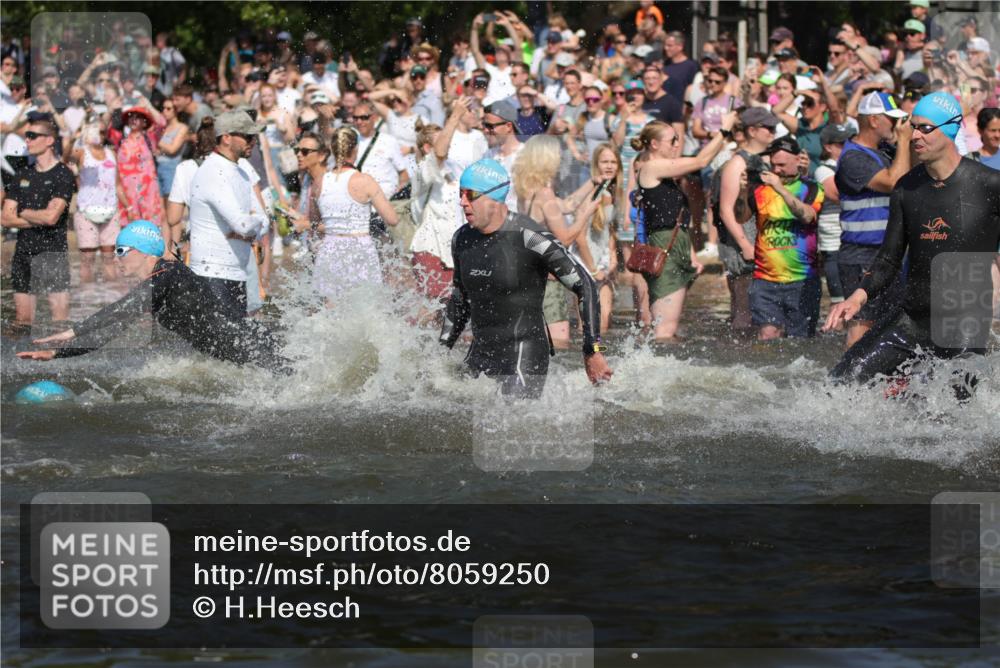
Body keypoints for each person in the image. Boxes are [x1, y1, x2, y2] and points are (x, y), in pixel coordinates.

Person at [825, 92, 1000, 394]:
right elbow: (889, 258)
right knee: (838, 387)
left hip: (964, 328)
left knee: (954, 414)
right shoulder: (907, 188)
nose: (915, 135)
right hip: (911, 320)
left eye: (925, 128)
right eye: (913, 127)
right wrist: (858, 296)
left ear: (951, 128)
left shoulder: (990, 184)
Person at [17, 220, 289, 373]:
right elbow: (108, 334)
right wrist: (56, 353)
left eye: (121, 251)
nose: (116, 259)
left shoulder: (169, 274)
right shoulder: (157, 286)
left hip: (253, 347)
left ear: (144, 250)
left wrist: (72, 331)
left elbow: (121, 308)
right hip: (241, 357)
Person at [440, 158, 612, 399]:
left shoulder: (530, 236)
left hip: (523, 354)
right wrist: (439, 352)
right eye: (461, 193)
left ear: (495, 197)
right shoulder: (462, 239)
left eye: (471, 194)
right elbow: (460, 300)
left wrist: (592, 350)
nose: (462, 202)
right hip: (480, 352)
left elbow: (585, 285)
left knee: (512, 417)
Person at [633, 116, 734, 340]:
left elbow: (676, 221)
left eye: (677, 139)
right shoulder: (651, 167)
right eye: (672, 140)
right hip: (664, 247)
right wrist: (724, 130)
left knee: (670, 327)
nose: (677, 144)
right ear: (654, 144)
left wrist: (691, 255)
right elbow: (701, 161)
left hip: (676, 245)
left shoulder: (666, 174)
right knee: (665, 331)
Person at [834, 91, 912, 349]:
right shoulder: (853, 157)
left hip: (886, 254)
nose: (896, 125)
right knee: (861, 325)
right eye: (892, 119)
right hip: (861, 254)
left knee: (889, 324)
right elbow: (893, 181)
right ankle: (848, 374)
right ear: (874, 120)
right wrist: (904, 140)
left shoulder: (884, 152)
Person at [291, 128, 399, 305]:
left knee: (331, 308)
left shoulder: (320, 183)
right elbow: (392, 219)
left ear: (332, 150)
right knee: (365, 307)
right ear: (355, 149)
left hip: (330, 249)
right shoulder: (365, 180)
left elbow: (316, 222)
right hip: (359, 248)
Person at [187, 110, 270, 319]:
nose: (253, 141)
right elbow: (243, 225)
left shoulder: (241, 172)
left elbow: (264, 222)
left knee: (238, 337)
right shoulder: (213, 172)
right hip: (211, 274)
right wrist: (251, 226)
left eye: (254, 136)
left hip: (237, 273)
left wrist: (251, 227)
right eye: (248, 136)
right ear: (226, 138)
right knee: (222, 340)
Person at [747, 137, 825, 339]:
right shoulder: (759, 190)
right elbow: (740, 216)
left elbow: (807, 216)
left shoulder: (811, 187)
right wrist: (740, 191)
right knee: (768, 335)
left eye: (781, 165)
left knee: (801, 341)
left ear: (798, 160)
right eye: (773, 165)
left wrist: (780, 188)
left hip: (803, 280)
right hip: (765, 280)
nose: (776, 170)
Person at [1, 115, 75, 325]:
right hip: (24, 254)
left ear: (50, 140)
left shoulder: (63, 174)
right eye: (27, 135)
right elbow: (5, 218)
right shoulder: (22, 175)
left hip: (53, 254)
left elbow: (51, 217)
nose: (28, 140)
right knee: (23, 321)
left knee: (59, 321)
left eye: (33, 136)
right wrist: (38, 217)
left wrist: (23, 212)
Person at [715, 107, 778, 334]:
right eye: (768, 128)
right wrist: (745, 245)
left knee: (760, 305)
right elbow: (725, 211)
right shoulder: (737, 164)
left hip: (762, 239)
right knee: (743, 307)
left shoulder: (766, 160)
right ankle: (739, 351)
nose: (773, 132)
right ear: (752, 131)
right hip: (741, 242)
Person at [571, 144, 621, 334]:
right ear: (595, 165)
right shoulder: (591, 193)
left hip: (603, 262)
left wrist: (613, 257)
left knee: (604, 322)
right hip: (585, 263)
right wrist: (592, 269)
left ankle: (604, 353)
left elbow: (610, 229)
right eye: (604, 162)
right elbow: (579, 237)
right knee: (588, 326)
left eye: (613, 162)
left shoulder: (612, 191)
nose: (609, 166)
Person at [68, 123, 120, 283]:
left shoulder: (111, 153)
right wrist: (73, 140)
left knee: (110, 258)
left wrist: (129, 207)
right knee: (87, 259)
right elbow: (67, 159)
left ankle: (111, 294)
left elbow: (117, 184)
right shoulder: (82, 152)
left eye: (103, 132)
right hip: (86, 211)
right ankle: (87, 295)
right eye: (97, 131)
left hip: (111, 209)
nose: (100, 135)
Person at [813, 123, 855, 304]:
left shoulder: (851, 166)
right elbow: (837, 195)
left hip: (852, 235)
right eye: (841, 143)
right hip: (833, 238)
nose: (847, 146)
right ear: (828, 147)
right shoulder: (823, 170)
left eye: (849, 142)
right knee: (839, 301)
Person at [117, 105, 165, 227]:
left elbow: (162, 123)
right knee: (129, 229)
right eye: (131, 117)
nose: (133, 119)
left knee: (150, 228)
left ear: (144, 122)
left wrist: (148, 105)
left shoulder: (150, 137)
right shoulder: (120, 139)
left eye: (138, 117)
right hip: (127, 191)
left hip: (148, 190)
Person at [482, 99, 523, 212]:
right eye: (484, 125)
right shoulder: (487, 155)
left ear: (509, 126)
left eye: (490, 126)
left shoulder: (526, 156)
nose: (485, 130)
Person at [156, 97, 188, 208]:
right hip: (158, 166)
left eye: (168, 108)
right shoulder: (163, 128)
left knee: (171, 205)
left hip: (171, 168)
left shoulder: (182, 127)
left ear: (176, 110)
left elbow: (172, 149)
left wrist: (156, 139)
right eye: (163, 108)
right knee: (161, 208)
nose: (164, 111)